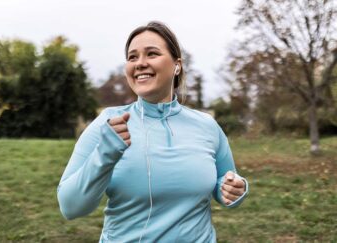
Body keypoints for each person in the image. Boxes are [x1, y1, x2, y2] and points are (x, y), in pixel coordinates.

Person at [57, 21, 249, 243]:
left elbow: (224, 183)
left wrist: (234, 189)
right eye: (132, 57)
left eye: (152, 54)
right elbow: (70, 207)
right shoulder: (108, 124)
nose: (140, 63)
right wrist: (105, 155)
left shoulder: (207, 126)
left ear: (177, 65)